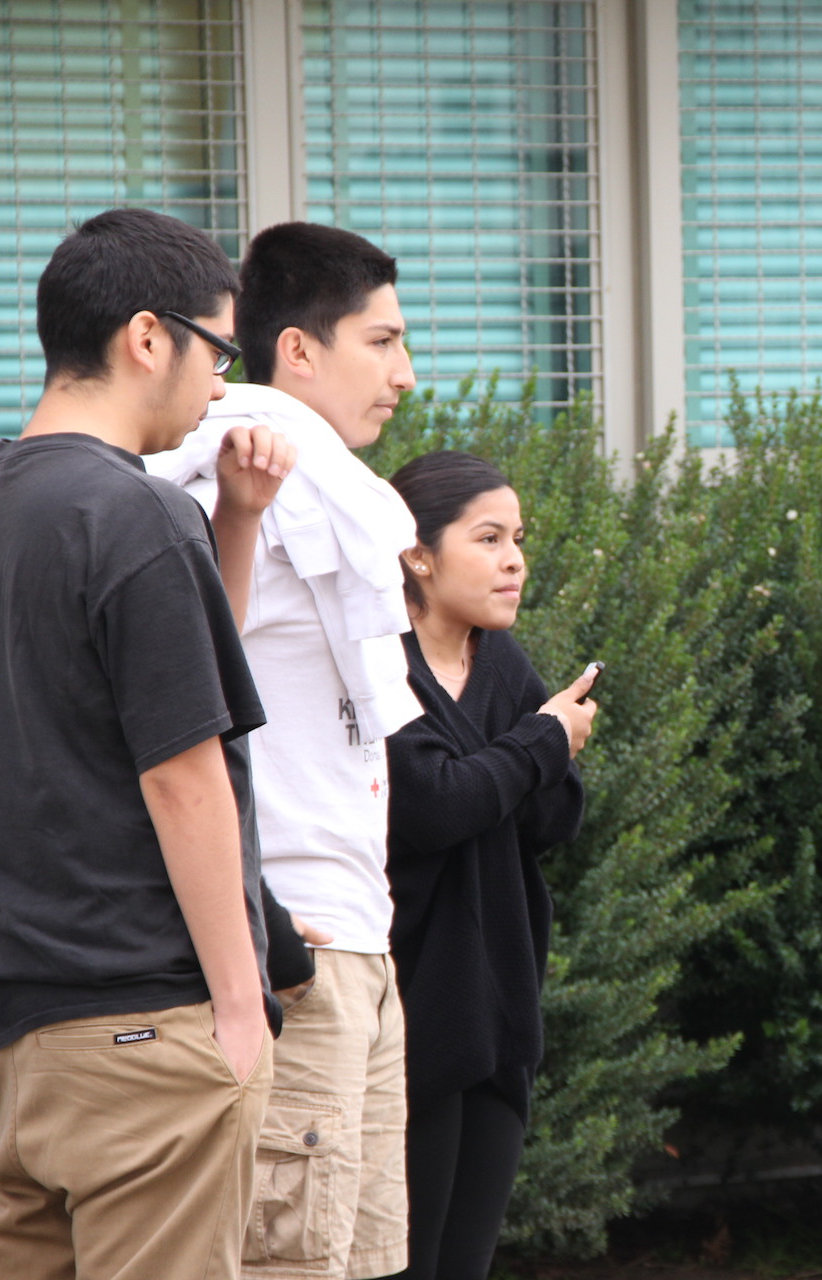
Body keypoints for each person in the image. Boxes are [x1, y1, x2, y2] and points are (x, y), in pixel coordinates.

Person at [0, 208, 294, 1278]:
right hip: (146, 1022)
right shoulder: (135, 512)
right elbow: (183, 771)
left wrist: (237, 518)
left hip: (28, 1025)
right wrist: (240, 1012)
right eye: (220, 351)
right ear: (149, 336)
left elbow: (164, 682)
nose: (222, 388)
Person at [149, 221, 423, 1279]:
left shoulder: (336, 489)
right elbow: (173, 708)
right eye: (382, 341)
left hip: (360, 938)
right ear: (298, 350)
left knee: (363, 1257)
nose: (404, 373)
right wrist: (254, 912)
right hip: (289, 945)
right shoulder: (224, 467)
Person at [383, 451, 598, 1280]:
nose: (515, 560)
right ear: (418, 554)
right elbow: (433, 805)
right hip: (408, 1022)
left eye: (518, 539)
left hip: (500, 1015)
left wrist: (539, 751)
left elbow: (554, 817)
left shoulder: (500, 661)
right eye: (488, 538)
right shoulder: (380, 666)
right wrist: (543, 741)